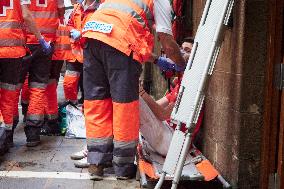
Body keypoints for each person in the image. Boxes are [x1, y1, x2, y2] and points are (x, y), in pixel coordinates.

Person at [82, 0, 186, 180]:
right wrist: (182, 63)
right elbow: (166, 41)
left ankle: (96, 163)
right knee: (124, 106)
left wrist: (156, 60)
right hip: (119, 45)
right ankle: (123, 166)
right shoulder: (160, 1)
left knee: (97, 102)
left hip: (92, 38)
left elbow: (125, 30)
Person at [0, 0, 50, 152]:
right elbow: (27, 15)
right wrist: (40, 39)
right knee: (8, 95)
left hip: (12, 50)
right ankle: (5, 140)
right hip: (12, 50)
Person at [20, 0, 65, 147]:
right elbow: (61, 10)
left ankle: (8, 131)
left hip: (24, 39)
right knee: (39, 86)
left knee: (11, 88)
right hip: (47, 41)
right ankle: (33, 133)